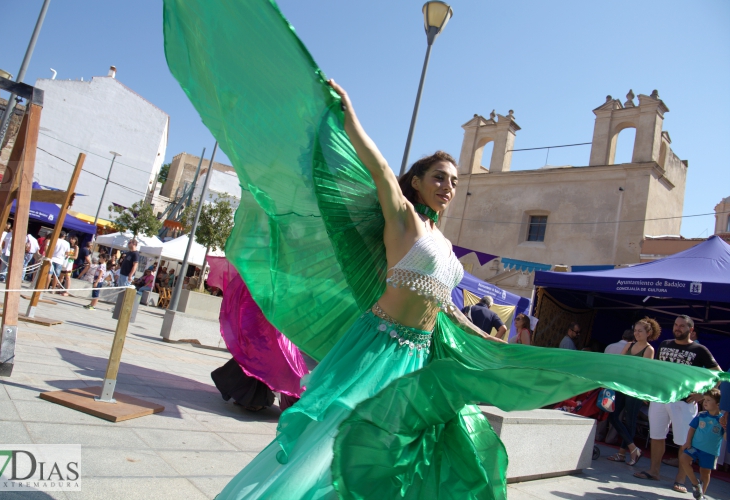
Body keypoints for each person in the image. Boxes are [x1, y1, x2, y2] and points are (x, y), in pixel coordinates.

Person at [163, 7, 729, 496]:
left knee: (413, 456)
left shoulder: (440, 243)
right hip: (381, 349)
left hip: (424, 356)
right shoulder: (403, 219)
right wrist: (350, 116)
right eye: (439, 176)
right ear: (418, 183)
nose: (449, 185)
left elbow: (443, 299)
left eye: (454, 179)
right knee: (333, 442)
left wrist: (477, 330)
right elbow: (381, 170)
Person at [634, 315, 723, 493]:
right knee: (657, 436)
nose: (678, 328)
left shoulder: (699, 349)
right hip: (661, 398)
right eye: (676, 325)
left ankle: (680, 479)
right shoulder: (665, 344)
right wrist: (650, 391)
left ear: (690, 329)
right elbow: (657, 371)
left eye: (682, 326)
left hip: (684, 402)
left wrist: (702, 394)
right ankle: (654, 471)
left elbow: (718, 374)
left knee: (684, 441)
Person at [607, 318, 659, 466]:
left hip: (635, 389)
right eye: (635, 331)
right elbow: (621, 364)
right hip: (622, 385)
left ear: (648, 333)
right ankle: (633, 448)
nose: (636, 334)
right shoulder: (629, 345)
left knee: (630, 420)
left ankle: (622, 453)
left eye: (640, 331)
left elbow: (643, 371)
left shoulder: (649, 349)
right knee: (613, 415)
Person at [679, 388, 726, 499]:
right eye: (704, 399)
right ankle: (695, 483)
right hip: (695, 447)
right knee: (684, 459)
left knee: (705, 472)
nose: (705, 402)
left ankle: (701, 495)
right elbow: (692, 429)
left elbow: (725, 437)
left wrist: (726, 427)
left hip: (710, 451)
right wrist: (688, 442)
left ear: (718, 404)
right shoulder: (701, 415)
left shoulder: (722, 420)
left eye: (709, 400)